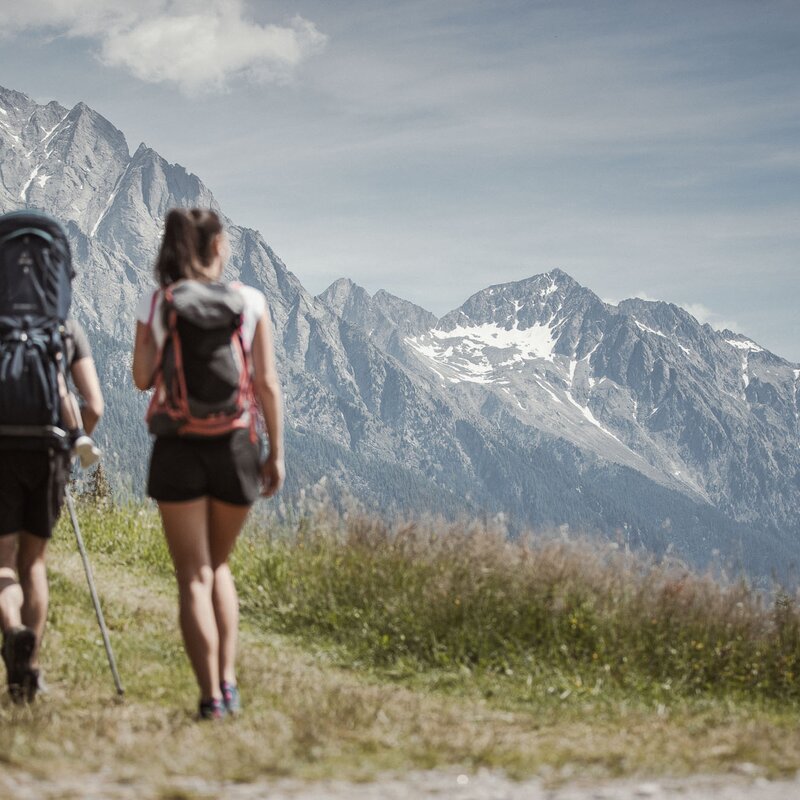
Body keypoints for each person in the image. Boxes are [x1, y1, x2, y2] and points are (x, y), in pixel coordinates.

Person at [132, 208, 284, 720]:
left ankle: (210, 700)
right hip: (237, 446)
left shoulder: (158, 301)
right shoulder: (251, 302)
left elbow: (140, 377)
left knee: (193, 575)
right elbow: (265, 385)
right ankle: (230, 681)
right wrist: (275, 454)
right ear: (218, 246)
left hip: (177, 446)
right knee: (219, 566)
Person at [0, 319, 104, 702]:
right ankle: (30, 669)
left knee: (3, 561)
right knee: (34, 564)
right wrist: (69, 451)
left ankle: (12, 632)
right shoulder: (67, 327)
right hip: (48, 452)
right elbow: (94, 405)